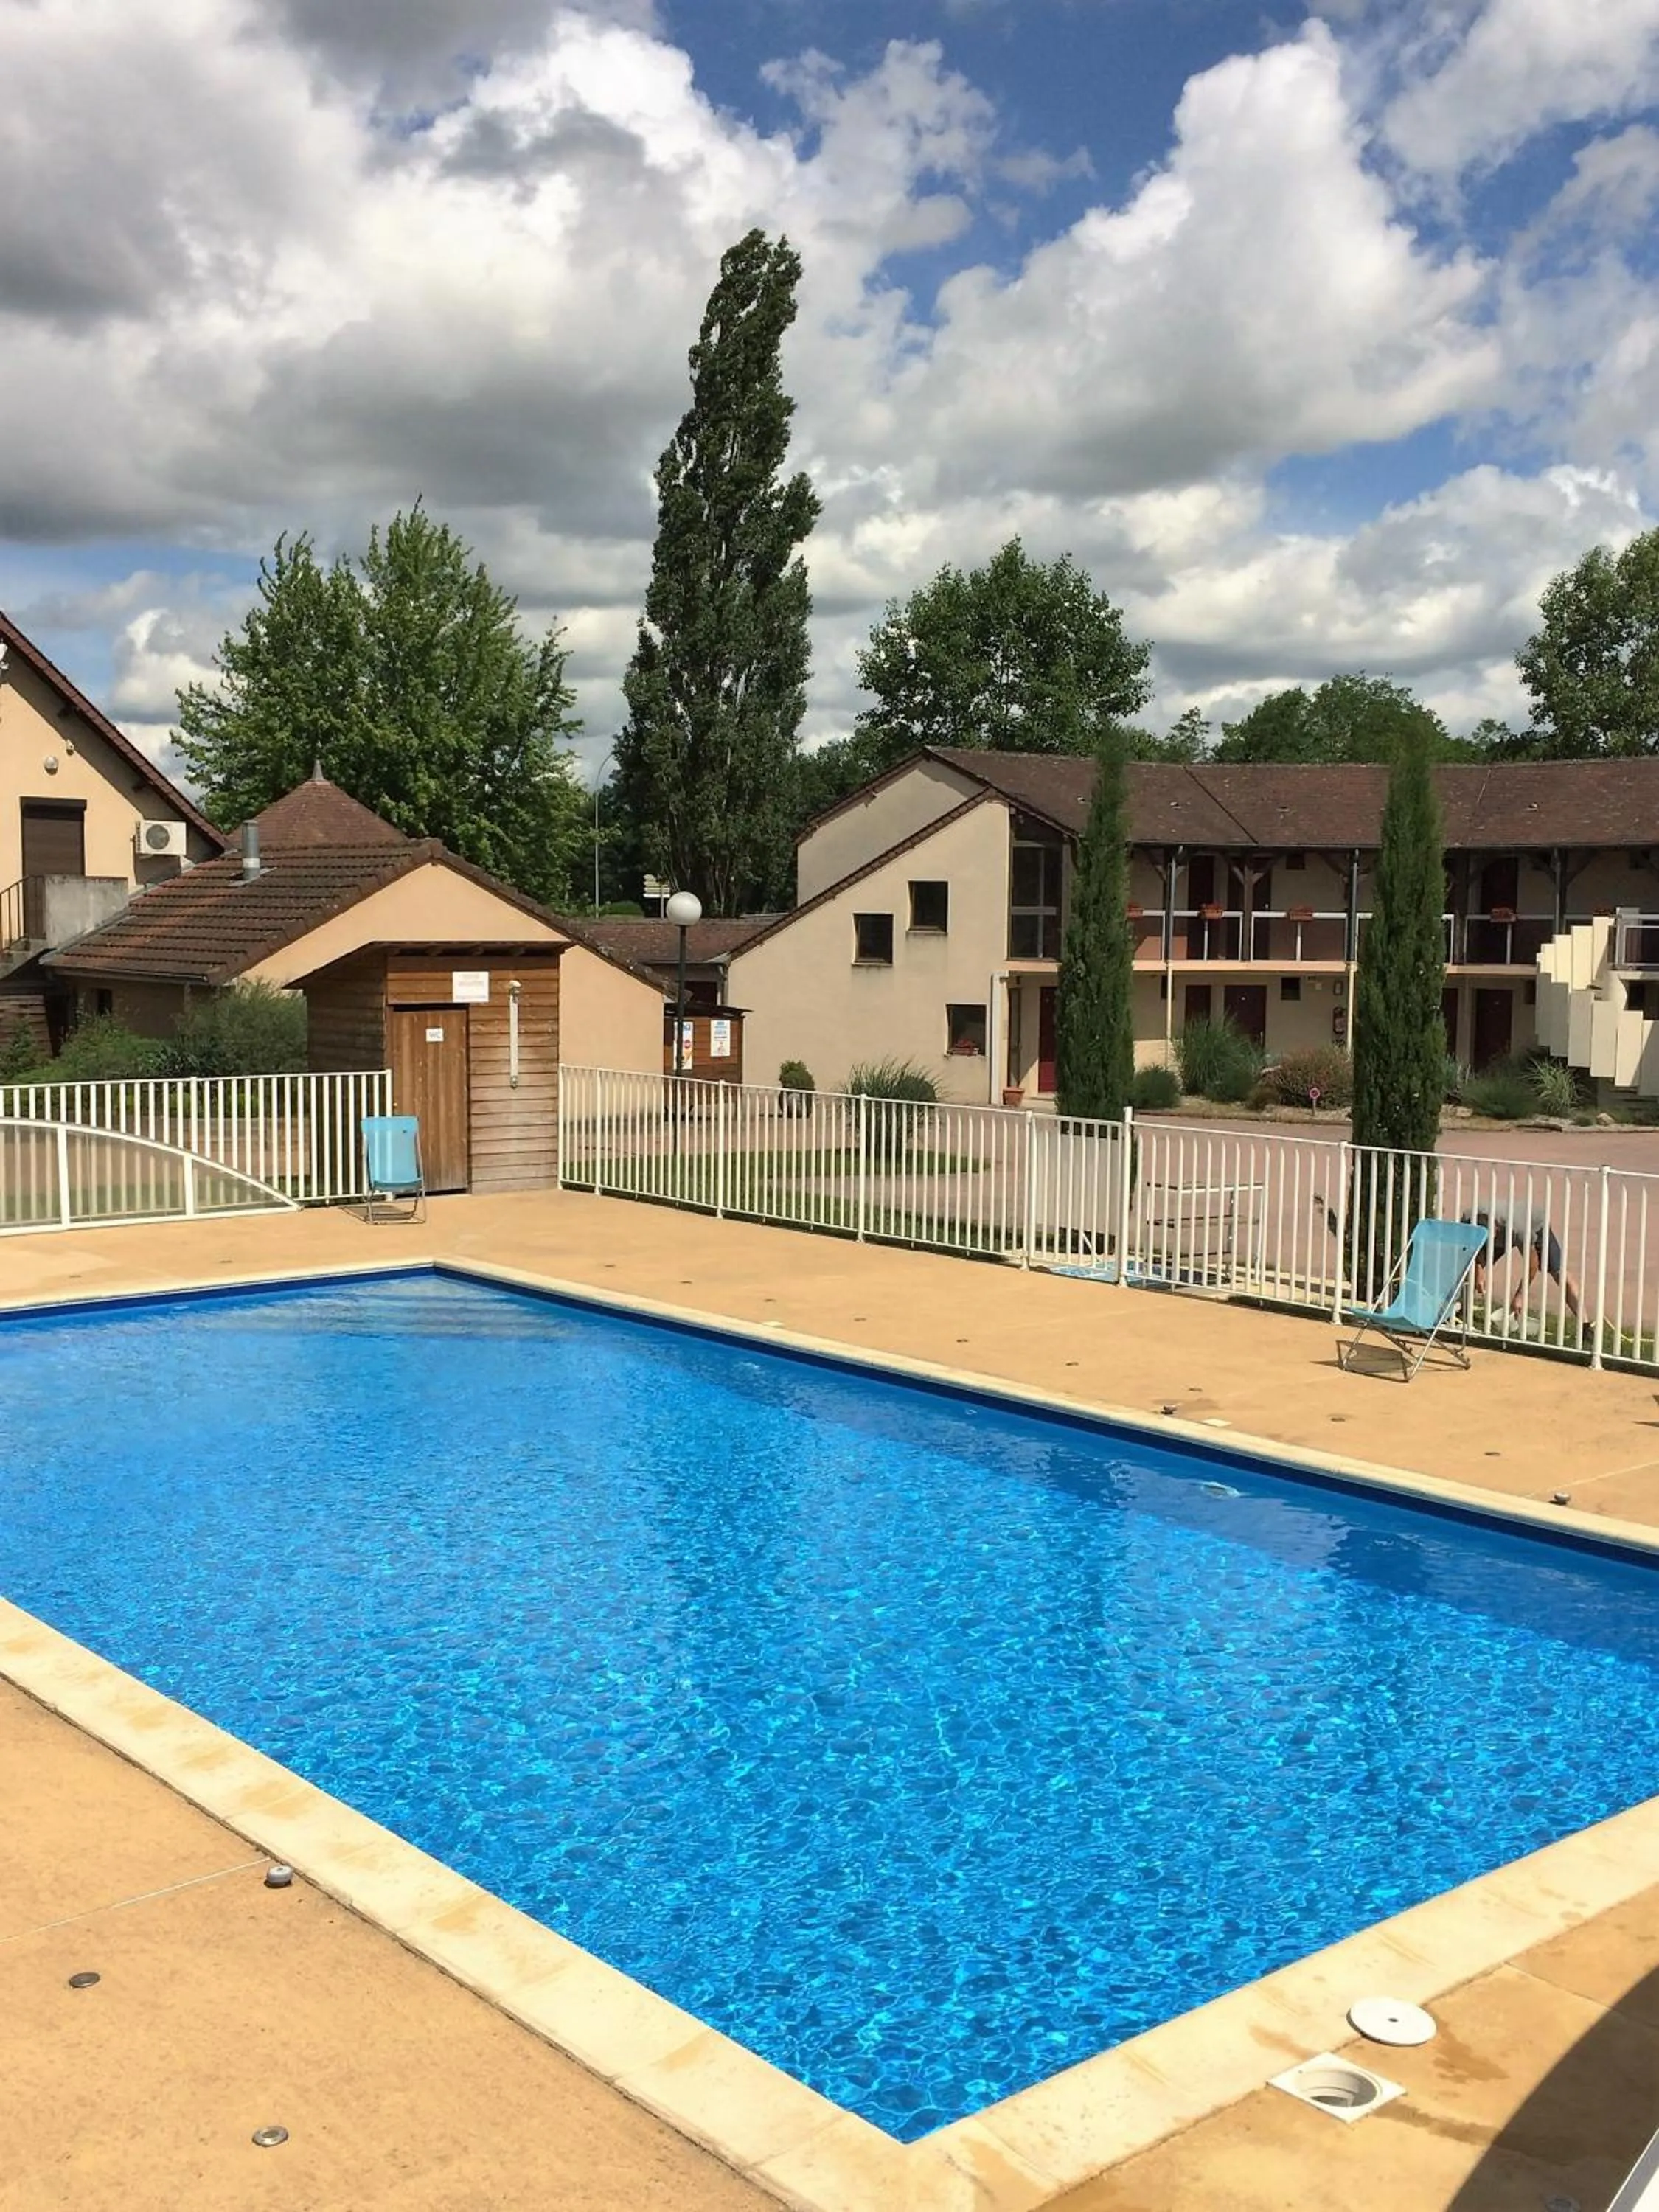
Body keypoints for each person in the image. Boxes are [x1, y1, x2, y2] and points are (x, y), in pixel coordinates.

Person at [1467, 1207, 1582, 1321]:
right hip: (1503, 1224)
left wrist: (1520, 1296)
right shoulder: (1470, 1221)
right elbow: (1474, 1248)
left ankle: (1585, 1325)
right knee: (1466, 1265)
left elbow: (1532, 1264)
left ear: (1497, 1229)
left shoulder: (1520, 1231)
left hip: (1536, 1227)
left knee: (1559, 1273)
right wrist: (1478, 1268)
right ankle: (1460, 1309)